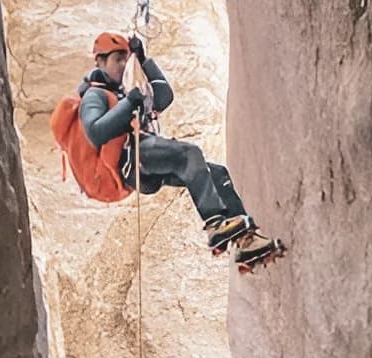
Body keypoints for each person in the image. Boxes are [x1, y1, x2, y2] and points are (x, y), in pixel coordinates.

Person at [75, 31, 285, 271]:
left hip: (147, 160)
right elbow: (95, 132)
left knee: (215, 173)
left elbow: (164, 97)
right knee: (189, 154)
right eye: (117, 60)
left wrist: (144, 60)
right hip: (132, 161)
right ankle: (216, 224)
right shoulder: (94, 95)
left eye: (125, 59)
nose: (123, 65)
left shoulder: (125, 92)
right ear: (100, 62)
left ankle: (246, 241)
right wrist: (128, 104)